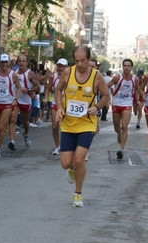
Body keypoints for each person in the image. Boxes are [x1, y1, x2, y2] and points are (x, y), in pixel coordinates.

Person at [55, 46, 110, 207]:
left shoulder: (96, 76)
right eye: (77, 61)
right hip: (68, 123)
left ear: (89, 58)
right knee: (66, 163)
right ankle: (71, 168)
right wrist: (59, 107)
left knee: (79, 160)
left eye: (83, 60)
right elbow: (58, 90)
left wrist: (98, 107)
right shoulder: (68, 73)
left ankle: (77, 194)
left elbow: (106, 95)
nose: (80, 64)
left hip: (87, 123)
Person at [0, 54, 23, 159]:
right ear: (0, 63)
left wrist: (15, 99)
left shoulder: (13, 75)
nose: (4, 64)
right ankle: (0, 134)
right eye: (3, 62)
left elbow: (19, 88)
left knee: (1, 126)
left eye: (6, 62)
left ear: (9, 63)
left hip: (7, 104)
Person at [106, 59, 140, 160]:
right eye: (125, 65)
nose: (126, 67)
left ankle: (121, 149)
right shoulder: (117, 77)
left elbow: (137, 89)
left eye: (128, 66)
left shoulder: (135, 79)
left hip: (127, 104)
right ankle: (119, 133)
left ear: (131, 67)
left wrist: (137, 100)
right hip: (116, 104)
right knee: (117, 128)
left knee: (124, 126)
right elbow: (106, 86)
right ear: (122, 67)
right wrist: (106, 98)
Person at [8, 54, 40, 150]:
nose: (21, 63)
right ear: (17, 62)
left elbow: (37, 87)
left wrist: (29, 90)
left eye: (23, 61)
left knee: (25, 122)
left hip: (26, 100)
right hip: (16, 99)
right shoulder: (14, 73)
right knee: (13, 118)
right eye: (20, 61)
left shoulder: (30, 74)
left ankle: (26, 134)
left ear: (26, 63)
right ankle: (12, 141)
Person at [43, 58, 68, 155]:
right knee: (54, 126)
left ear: (66, 67)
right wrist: (45, 98)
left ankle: (66, 146)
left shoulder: (70, 77)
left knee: (66, 127)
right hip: (55, 103)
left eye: (63, 66)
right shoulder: (53, 76)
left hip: (66, 105)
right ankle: (58, 147)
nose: (60, 68)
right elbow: (48, 88)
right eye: (59, 66)